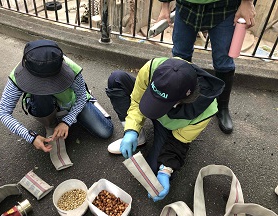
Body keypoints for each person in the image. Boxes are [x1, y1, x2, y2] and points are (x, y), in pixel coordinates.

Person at [106, 57, 225, 201]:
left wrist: (166, 170)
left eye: (161, 104)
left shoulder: (206, 111)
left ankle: (159, 163)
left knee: (153, 174)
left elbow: (179, 141)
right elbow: (137, 101)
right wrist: (131, 130)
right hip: (157, 107)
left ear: (182, 101)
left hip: (169, 128)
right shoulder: (154, 67)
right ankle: (138, 138)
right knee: (116, 79)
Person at [157, 0, 256, 134]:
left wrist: (247, 2)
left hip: (224, 7)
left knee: (223, 62)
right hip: (186, 6)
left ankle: (222, 107)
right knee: (180, 56)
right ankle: (180, 100)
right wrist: (165, 5)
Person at [0, 39, 113, 153]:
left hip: (70, 102)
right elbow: (3, 112)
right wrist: (31, 137)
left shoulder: (71, 67)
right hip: (41, 104)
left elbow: (81, 96)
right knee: (41, 97)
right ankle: (51, 122)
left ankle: (82, 106)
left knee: (105, 131)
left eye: (52, 81)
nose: (48, 86)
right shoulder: (18, 75)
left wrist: (67, 121)